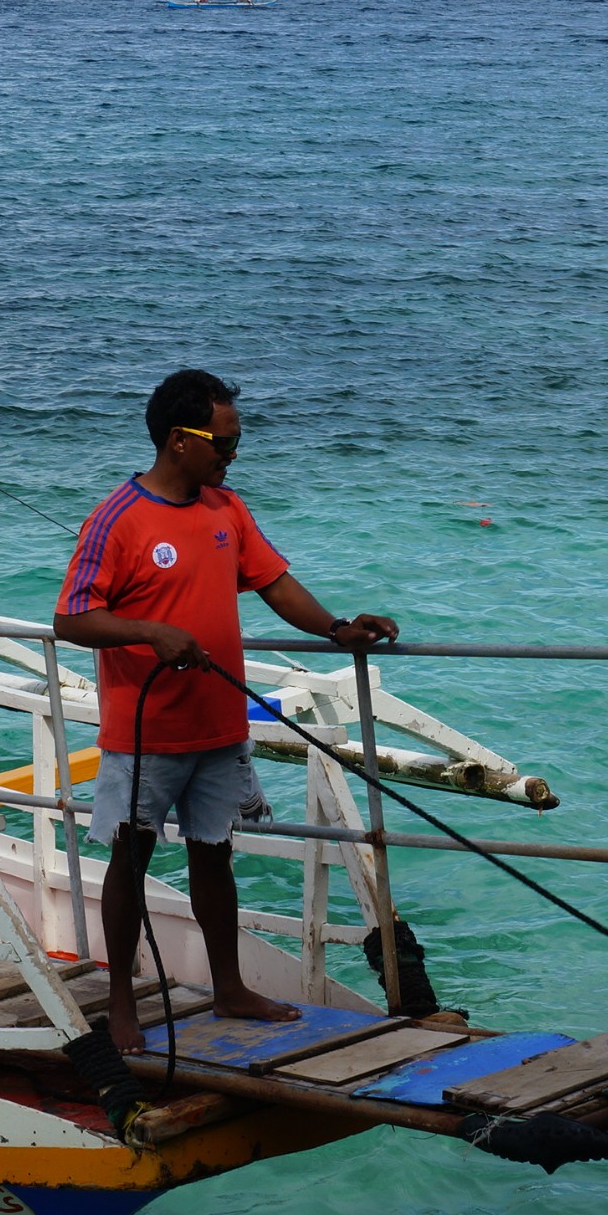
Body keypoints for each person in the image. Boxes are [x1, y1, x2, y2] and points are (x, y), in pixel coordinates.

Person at [53, 370, 400, 1052]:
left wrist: (336, 629)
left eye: (237, 443)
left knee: (216, 857)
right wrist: (150, 633)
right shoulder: (117, 518)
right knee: (132, 858)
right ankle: (121, 1000)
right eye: (225, 443)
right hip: (147, 732)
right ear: (180, 440)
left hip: (219, 727)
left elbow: (273, 582)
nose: (232, 455)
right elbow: (71, 617)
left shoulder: (227, 509)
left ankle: (230, 984)